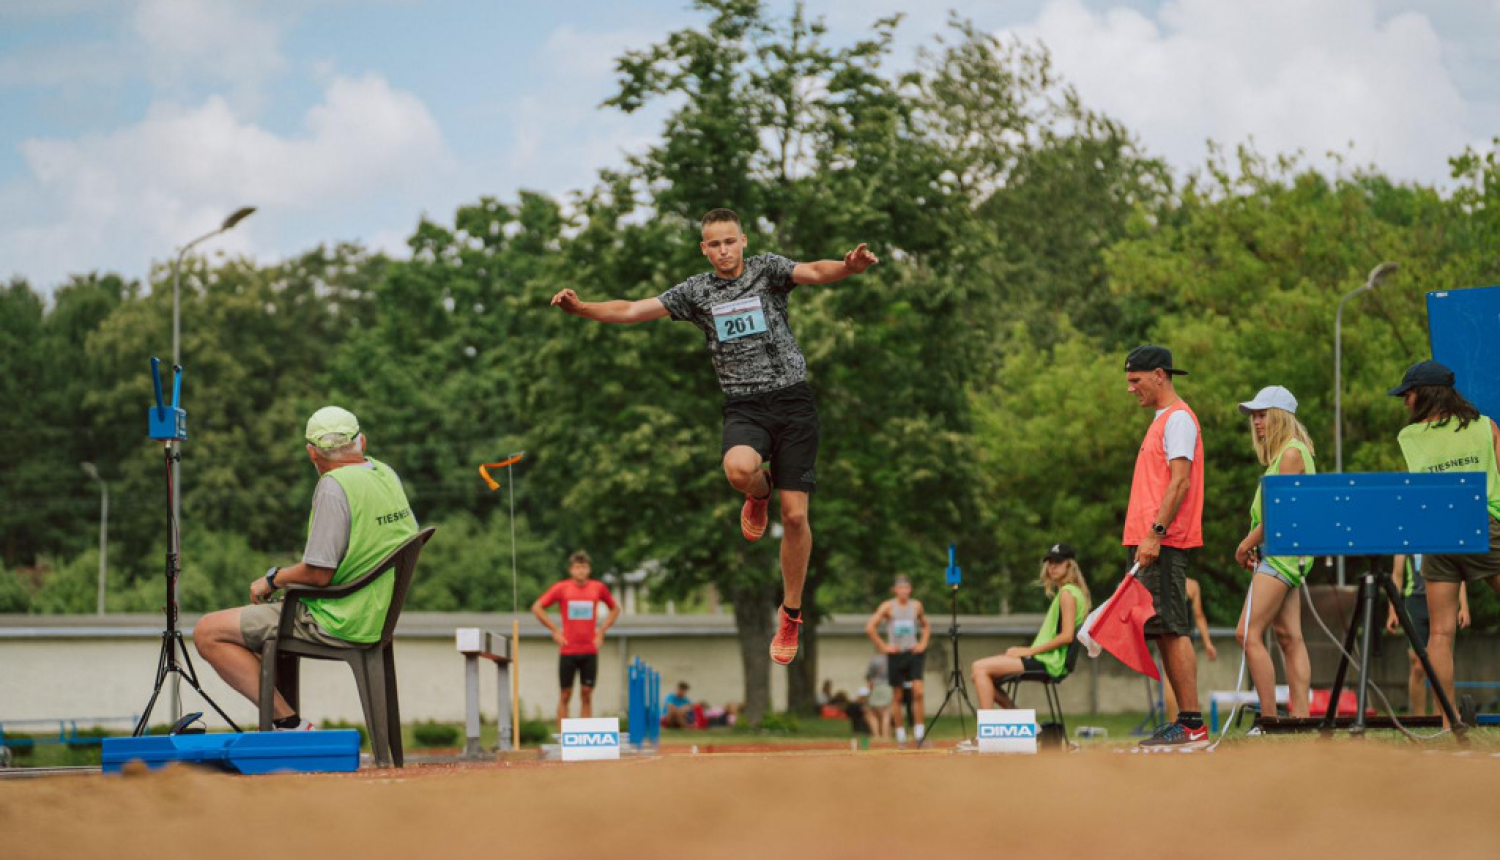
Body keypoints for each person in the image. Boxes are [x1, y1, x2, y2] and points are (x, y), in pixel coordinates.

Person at [550, 208, 879, 665]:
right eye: (714, 244)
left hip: (793, 401)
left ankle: (790, 612)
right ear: (704, 249)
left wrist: (848, 267)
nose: (724, 250)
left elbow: (815, 271)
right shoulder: (696, 292)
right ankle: (757, 494)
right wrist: (582, 308)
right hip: (744, 405)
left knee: (798, 517)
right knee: (739, 469)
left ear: (743, 241)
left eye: (730, 241)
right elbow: (631, 308)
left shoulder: (768, 270)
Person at [193, 406, 418, 731]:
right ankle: (285, 719)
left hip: (338, 617)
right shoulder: (386, 474)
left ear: (311, 452)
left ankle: (290, 725)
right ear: (363, 443)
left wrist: (272, 579)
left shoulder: (333, 487)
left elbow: (318, 574)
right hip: (377, 611)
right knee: (256, 635)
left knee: (208, 632)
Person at [1389, 360, 1500, 726]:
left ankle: (1449, 723)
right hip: (1485, 522)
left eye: (1408, 394)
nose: (1405, 401)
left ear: (1425, 394)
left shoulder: (1409, 437)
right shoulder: (1487, 427)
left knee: (1439, 633)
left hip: (1437, 529)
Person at [1122, 345, 1208, 749]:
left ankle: (1191, 723)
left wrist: (1155, 533)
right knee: (1160, 629)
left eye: (1135, 380)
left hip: (1163, 541)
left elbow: (1180, 482)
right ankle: (1184, 722)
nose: (1130, 389)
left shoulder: (1178, 420)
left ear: (1159, 374)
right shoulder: (1162, 420)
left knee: (1172, 627)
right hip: (1148, 541)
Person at [1231, 385, 1315, 724]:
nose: (1256, 422)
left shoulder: (1292, 453)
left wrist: (1244, 543)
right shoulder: (1289, 454)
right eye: (1253, 416)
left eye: (1262, 414)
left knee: (1247, 633)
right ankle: (1302, 720)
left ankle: (1269, 720)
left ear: (1281, 416)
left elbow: (1276, 514)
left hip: (1282, 554)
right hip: (1284, 552)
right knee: (1289, 638)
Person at [970, 543, 1091, 709]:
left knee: (979, 668)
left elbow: (1067, 636)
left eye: (1058, 562)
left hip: (1050, 661)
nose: (1052, 567)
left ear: (1069, 565)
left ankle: (986, 732)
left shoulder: (1067, 594)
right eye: (1049, 562)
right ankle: (1023, 724)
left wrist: (1028, 651)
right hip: (1049, 659)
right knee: (979, 674)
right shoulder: (1072, 592)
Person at [531, 551, 621, 727]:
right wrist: (555, 630)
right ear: (571, 570)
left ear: (589, 569)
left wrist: (602, 631)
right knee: (565, 693)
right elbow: (537, 607)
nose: (581, 571)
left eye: (584, 567)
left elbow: (615, 608)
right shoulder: (561, 588)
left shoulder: (598, 587)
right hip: (568, 649)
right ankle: (563, 736)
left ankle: (584, 734)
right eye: (577, 567)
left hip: (589, 649)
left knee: (586, 694)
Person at [1387, 554, 1469, 716]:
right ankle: (1418, 718)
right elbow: (1396, 574)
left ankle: (1441, 716)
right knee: (1418, 665)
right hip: (1414, 604)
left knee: (1440, 661)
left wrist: (1464, 606)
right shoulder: (1405, 537)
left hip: (1443, 599)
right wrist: (1392, 610)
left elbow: (1457, 571)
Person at [864, 574, 931, 746]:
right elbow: (870, 627)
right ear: (895, 590)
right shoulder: (888, 607)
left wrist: (923, 643)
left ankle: (919, 734)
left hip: (913, 652)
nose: (903, 591)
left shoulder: (916, 606)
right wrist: (883, 646)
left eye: (906, 588)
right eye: (900, 588)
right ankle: (901, 736)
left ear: (910, 590)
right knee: (897, 695)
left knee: (918, 691)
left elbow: (925, 625)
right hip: (896, 654)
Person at [1158, 576, 1218, 723]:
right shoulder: (1192, 585)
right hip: (1185, 639)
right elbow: (1198, 615)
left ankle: (1174, 722)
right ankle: (1189, 721)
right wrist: (1208, 643)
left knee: (1169, 681)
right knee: (1187, 681)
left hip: (1166, 635)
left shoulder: (1160, 582)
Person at [864, 644, 894, 740]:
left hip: (876, 686)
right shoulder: (891, 660)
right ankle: (885, 735)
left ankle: (876, 735)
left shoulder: (874, 660)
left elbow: (869, 675)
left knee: (871, 712)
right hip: (888, 686)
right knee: (886, 712)